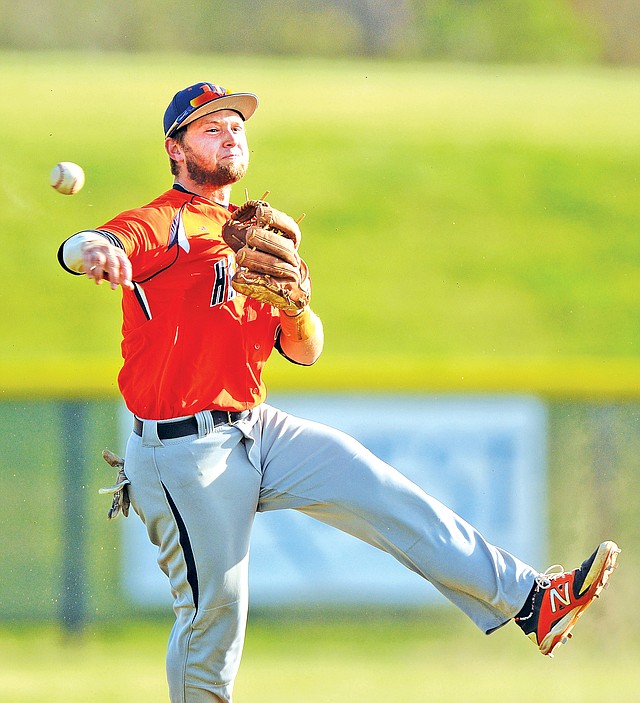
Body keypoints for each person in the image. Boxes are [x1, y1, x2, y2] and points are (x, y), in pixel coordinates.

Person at [58, 81, 620, 703]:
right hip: (182, 455)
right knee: (216, 616)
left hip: (256, 428)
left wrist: (297, 304)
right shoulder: (166, 223)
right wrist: (94, 252)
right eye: (211, 127)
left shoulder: (255, 232)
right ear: (176, 149)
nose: (230, 135)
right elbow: (90, 242)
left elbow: (304, 350)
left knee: (382, 490)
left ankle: (532, 603)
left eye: (236, 126)